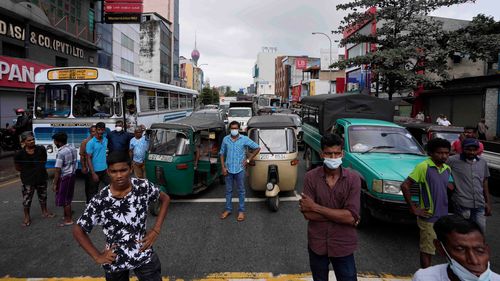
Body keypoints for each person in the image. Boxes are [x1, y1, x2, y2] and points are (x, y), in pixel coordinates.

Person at [73, 151, 171, 280]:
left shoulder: (143, 186)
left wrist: (156, 230)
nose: (119, 175)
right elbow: (78, 229)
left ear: (130, 169)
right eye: (114, 171)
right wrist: (97, 256)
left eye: (123, 170)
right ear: (108, 172)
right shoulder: (101, 200)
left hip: (143, 254)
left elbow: (165, 199)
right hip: (114, 260)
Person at [299, 133, 361, 281]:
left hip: (343, 245)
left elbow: (351, 216)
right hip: (317, 243)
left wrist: (316, 207)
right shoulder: (310, 177)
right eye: (329, 153)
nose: (333, 157)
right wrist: (341, 215)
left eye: (337, 153)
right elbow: (307, 214)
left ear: (342, 154)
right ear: (322, 154)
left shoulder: (353, 179)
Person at [401, 138, 452, 268]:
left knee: (444, 249)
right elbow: (405, 186)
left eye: (446, 153)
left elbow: (447, 186)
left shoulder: (447, 169)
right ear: (431, 153)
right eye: (440, 153)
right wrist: (413, 208)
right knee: (427, 250)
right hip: (428, 216)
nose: (444, 156)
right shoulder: (424, 166)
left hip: (443, 217)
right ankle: (425, 275)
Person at [412, 215, 500, 281]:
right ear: (440, 248)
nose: (474, 261)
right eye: (460, 249)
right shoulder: (424, 278)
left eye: (480, 251)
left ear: (487, 250)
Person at [219, 121, 260, 222]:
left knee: (241, 191)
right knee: (228, 191)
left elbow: (257, 148)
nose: (234, 130)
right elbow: (221, 153)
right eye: (232, 128)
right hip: (228, 170)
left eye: (235, 128)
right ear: (230, 129)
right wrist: (223, 167)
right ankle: (228, 209)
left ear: (239, 129)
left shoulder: (244, 139)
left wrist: (248, 160)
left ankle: (241, 211)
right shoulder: (226, 139)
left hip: (240, 170)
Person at [448, 138, 491, 234]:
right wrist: (448, 182)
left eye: (474, 150)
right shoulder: (453, 160)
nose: (472, 152)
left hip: (479, 203)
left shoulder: (482, 162)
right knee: (463, 231)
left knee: (481, 230)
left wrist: (488, 202)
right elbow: (440, 171)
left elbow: (485, 182)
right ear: (462, 149)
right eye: (468, 149)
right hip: (462, 203)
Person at [14, 131, 54, 226]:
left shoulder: (41, 149)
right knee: (27, 199)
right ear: (24, 142)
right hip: (28, 180)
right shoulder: (19, 154)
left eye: (33, 139)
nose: (32, 141)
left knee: (43, 196)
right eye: (29, 140)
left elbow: (44, 160)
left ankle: (44, 212)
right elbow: (18, 167)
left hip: (41, 177)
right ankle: (27, 217)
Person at [52, 132, 78, 227]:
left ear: (58, 142)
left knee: (65, 199)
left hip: (65, 176)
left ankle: (68, 219)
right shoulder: (72, 148)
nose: (54, 142)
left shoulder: (61, 153)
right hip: (72, 175)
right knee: (68, 196)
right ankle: (66, 215)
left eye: (54, 141)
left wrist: (55, 183)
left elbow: (57, 170)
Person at [86, 122, 109, 204]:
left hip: (105, 170)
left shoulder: (106, 140)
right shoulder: (90, 143)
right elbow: (88, 158)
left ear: (104, 130)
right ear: (95, 130)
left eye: (102, 130)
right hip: (95, 172)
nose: (100, 132)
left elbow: (106, 154)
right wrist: (93, 173)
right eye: (98, 130)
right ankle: (91, 209)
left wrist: (108, 168)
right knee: (93, 192)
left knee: (110, 188)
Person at [81, 125, 97, 202]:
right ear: (90, 132)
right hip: (89, 168)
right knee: (89, 187)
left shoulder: (101, 140)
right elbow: (82, 156)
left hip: (98, 168)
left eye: (96, 131)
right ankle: (88, 202)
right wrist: (83, 167)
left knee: (96, 187)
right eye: (93, 131)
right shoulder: (85, 142)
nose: (95, 133)